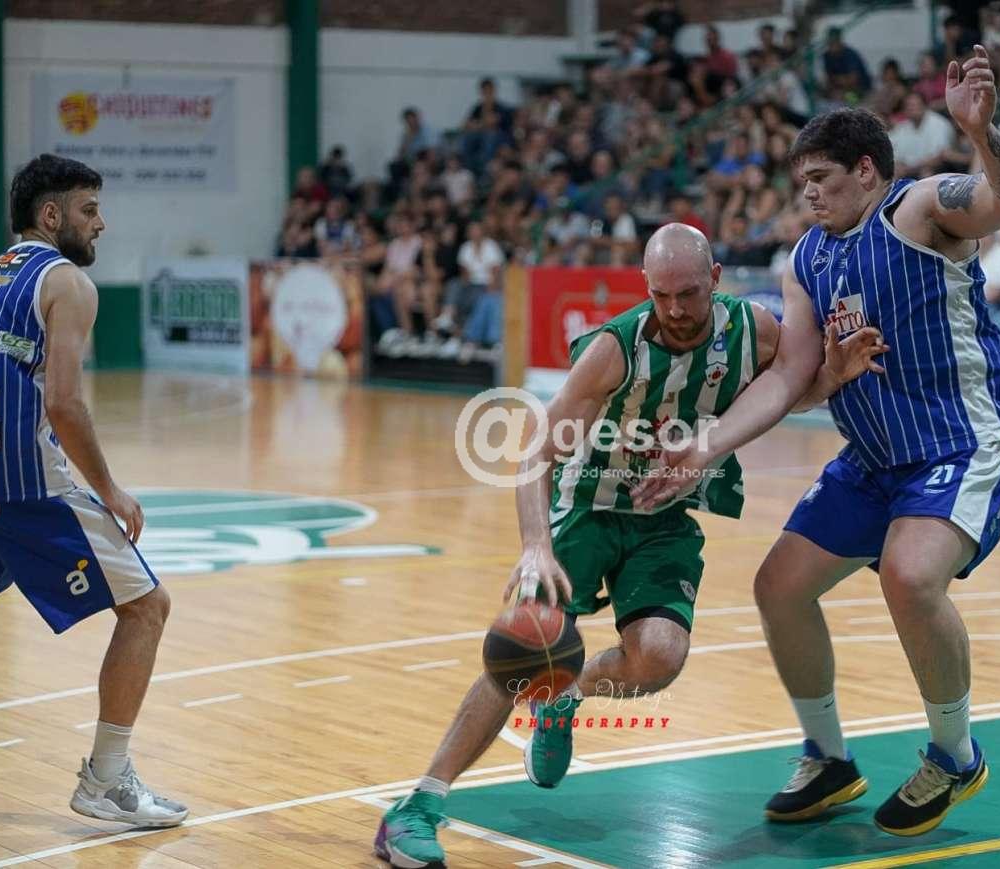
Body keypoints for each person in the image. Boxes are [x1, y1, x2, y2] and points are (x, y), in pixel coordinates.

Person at [372, 224, 886, 867]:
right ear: (646, 287)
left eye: (688, 294)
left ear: (716, 280)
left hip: (663, 518)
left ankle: (566, 696)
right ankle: (417, 807)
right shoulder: (614, 350)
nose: (675, 309)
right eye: (661, 295)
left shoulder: (752, 331)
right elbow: (537, 451)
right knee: (525, 648)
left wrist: (829, 378)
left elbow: (780, 395)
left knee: (661, 657)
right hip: (587, 508)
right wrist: (535, 546)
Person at [633, 45, 1000, 837]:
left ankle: (955, 754)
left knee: (910, 575)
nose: (809, 193)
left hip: (962, 441)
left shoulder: (920, 209)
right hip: (873, 458)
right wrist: (705, 444)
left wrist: (981, 134)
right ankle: (828, 757)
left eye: (821, 178)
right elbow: (791, 376)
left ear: (866, 171)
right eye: (802, 181)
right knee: (778, 586)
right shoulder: (807, 259)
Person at [0, 154, 186, 826]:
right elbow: (65, 402)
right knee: (148, 607)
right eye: (89, 209)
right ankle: (106, 778)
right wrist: (109, 489)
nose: (100, 223)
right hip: (24, 483)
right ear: (50, 215)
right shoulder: (67, 282)